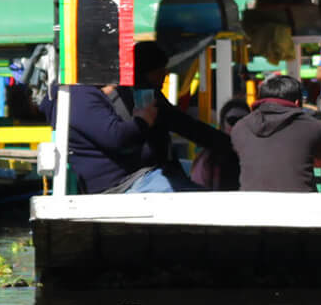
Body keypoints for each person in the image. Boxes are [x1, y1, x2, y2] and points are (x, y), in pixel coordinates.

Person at [39, 42, 217, 194]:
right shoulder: (82, 96)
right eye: (161, 70)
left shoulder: (81, 95)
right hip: (125, 183)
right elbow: (116, 137)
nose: (165, 75)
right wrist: (143, 120)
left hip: (136, 177)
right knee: (199, 198)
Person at [230, 73, 321, 192]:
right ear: (297, 103)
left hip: (253, 207)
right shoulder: (313, 127)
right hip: (301, 207)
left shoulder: (240, 127)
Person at [190, 100, 249, 190]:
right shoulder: (207, 158)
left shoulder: (258, 154)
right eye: (232, 121)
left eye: (244, 121)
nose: (238, 125)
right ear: (222, 124)